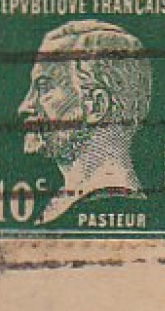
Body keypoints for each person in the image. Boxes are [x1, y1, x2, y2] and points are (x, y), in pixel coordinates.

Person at [17, 19, 153, 225]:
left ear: (96, 106)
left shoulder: (108, 206)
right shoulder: (65, 205)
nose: (25, 106)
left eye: (44, 88)